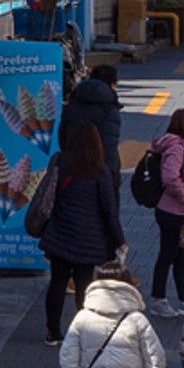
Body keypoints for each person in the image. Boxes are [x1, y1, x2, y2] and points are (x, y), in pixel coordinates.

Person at [35, 123, 127, 344]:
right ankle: (83, 331)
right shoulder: (100, 171)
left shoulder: (60, 161)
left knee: (57, 282)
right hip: (89, 239)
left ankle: (52, 331)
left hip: (60, 233)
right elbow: (109, 211)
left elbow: (49, 193)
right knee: (85, 286)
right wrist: (119, 240)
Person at [141, 108, 184, 305]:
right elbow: (170, 177)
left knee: (181, 255)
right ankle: (159, 298)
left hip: (180, 211)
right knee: (169, 254)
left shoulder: (178, 147)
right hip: (174, 211)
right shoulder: (177, 148)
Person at [62, 57, 125, 179]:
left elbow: (63, 137)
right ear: (112, 84)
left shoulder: (73, 104)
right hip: (99, 172)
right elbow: (109, 146)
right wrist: (111, 175)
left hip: (71, 170)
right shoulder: (109, 109)